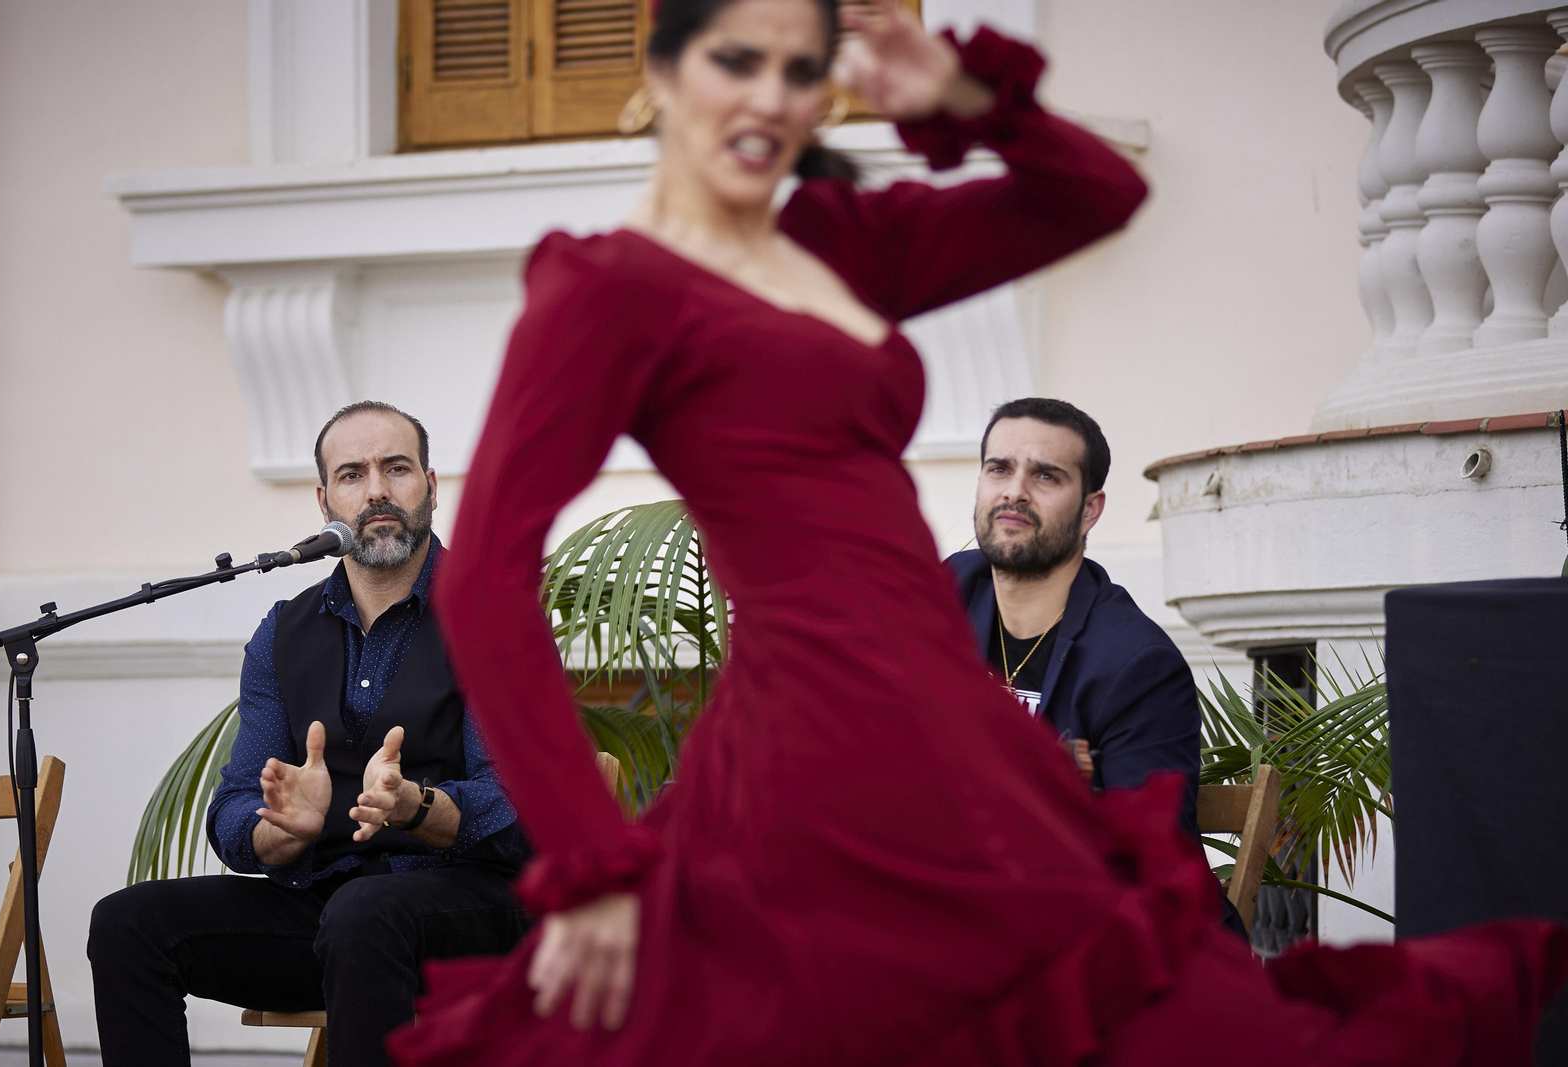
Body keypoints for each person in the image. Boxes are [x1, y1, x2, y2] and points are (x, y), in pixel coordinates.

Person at [390, 1, 1566, 1064]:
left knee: (1124, 1015)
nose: (770, 97)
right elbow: (483, 578)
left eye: (803, 70)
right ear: (658, 64)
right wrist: (592, 867)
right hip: (817, 714)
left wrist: (956, 95)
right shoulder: (611, 288)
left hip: (945, 709)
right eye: (735, 59)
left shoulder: (839, 244)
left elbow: (1094, 193)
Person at [88, 402, 531, 1067]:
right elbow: (236, 804)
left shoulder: (491, 613)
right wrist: (280, 828)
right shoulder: (282, 632)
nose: (377, 489)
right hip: (330, 914)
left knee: (364, 913)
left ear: (432, 487)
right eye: (352, 474)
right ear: (325, 502)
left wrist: (416, 805)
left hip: (474, 906)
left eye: (397, 467)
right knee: (129, 924)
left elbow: (519, 805)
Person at [948, 398, 1200, 832]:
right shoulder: (945, 599)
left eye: (1046, 476)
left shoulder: (1137, 666)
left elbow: (1148, 861)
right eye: (999, 469)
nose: (1014, 491)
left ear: (1089, 510)